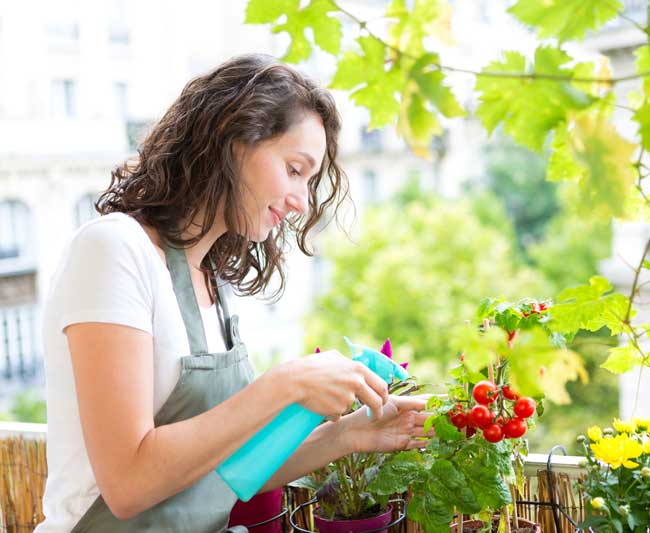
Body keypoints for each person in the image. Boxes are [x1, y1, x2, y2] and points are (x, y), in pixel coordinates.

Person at [34, 54, 430, 533]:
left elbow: (229, 471)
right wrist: (285, 386)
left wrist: (347, 434)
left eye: (310, 180)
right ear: (233, 141)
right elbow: (128, 484)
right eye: (294, 169)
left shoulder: (211, 281)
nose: (302, 201)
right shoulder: (114, 250)